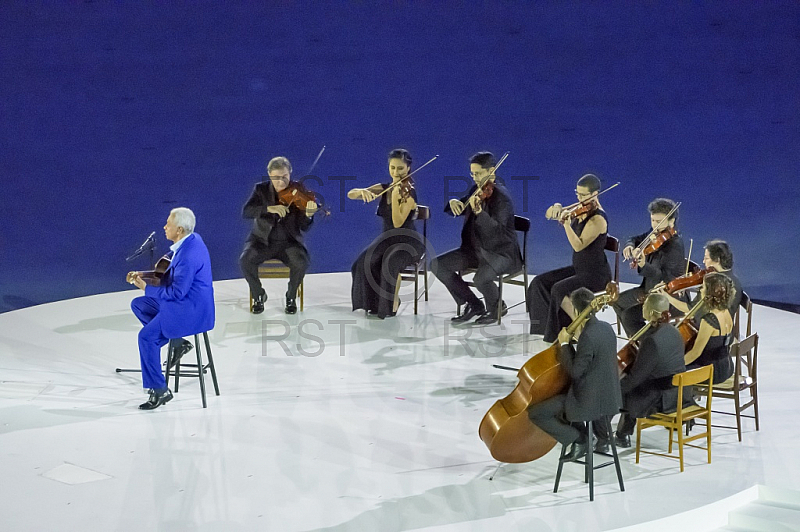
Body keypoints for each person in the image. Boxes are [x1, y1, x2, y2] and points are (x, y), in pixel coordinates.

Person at [128, 208, 215, 410]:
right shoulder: (192, 240)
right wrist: (144, 276)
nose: (164, 227)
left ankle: (159, 390)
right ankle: (176, 342)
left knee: (146, 338)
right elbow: (170, 274)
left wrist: (146, 287)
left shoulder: (188, 255)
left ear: (180, 230)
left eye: (169, 224)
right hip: (189, 305)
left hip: (189, 311)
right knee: (139, 305)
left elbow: (177, 293)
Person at [527, 288, 622, 461]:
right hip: (609, 399)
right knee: (561, 405)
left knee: (537, 413)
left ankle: (580, 440)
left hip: (588, 402)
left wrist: (564, 345)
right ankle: (585, 437)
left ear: (577, 311)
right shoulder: (607, 328)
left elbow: (575, 372)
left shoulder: (588, 336)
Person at [432, 152, 522, 325]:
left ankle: (497, 308)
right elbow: (463, 206)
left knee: (480, 279)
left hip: (500, 253)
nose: (475, 178)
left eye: (479, 173)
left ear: (492, 172)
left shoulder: (502, 198)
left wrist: (480, 213)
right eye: (472, 174)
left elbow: (499, 233)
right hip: (474, 250)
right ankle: (473, 304)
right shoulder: (476, 190)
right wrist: (453, 203)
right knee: (438, 265)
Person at [528, 174, 611, 342]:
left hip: (595, 274)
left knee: (559, 289)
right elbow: (547, 215)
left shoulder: (598, 219)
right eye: (577, 194)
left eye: (583, 195)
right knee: (539, 282)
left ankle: (579, 327)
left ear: (594, 194)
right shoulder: (581, 211)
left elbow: (578, 246)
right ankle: (548, 327)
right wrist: (556, 208)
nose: (579, 199)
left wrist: (566, 225)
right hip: (579, 269)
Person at [349, 149, 425, 319]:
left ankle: (390, 305)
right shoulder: (384, 188)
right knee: (361, 263)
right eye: (392, 168)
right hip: (387, 239)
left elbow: (398, 223)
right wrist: (363, 192)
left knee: (389, 263)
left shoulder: (409, 193)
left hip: (408, 241)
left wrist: (398, 195)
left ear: (408, 168)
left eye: (400, 169)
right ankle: (372, 304)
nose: (396, 173)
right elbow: (350, 194)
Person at [240, 156, 318, 315]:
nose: (281, 182)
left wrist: (309, 215)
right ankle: (259, 295)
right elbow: (246, 212)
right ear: (269, 175)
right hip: (262, 241)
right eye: (276, 178)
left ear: (290, 173)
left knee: (301, 262)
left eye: (284, 177)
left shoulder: (298, 193)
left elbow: (304, 227)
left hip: (289, 243)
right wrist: (269, 208)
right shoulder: (260, 190)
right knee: (245, 261)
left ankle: (291, 296)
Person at [613, 293, 687, 448]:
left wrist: (613, 389)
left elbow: (635, 378)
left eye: (645, 305)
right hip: (677, 394)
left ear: (652, 313)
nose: (642, 308)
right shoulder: (675, 331)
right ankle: (621, 432)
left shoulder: (651, 341)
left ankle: (615, 435)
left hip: (661, 399)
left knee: (623, 391)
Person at [613, 198, 686, 337]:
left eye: (659, 222)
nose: (655, 226)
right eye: (653, 220)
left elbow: (664, 277)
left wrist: (643, 265)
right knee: (617, 302)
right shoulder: (655, 234)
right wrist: (630, 245)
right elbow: (634, 238)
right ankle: (637, 340)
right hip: (648, 289)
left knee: (629, 317)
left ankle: (649, 343)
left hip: (666, 297)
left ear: (671, 221)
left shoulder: (675, 246)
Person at [669, 272, 735, 384]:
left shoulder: (709, 321)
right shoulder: (726, 312)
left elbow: (695, 353)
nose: (700, 290)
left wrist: (674, 367)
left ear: (710, 293)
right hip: (726, 366)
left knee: (668, 378)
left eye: (703, 287)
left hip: (712, 372)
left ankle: (684, 398)